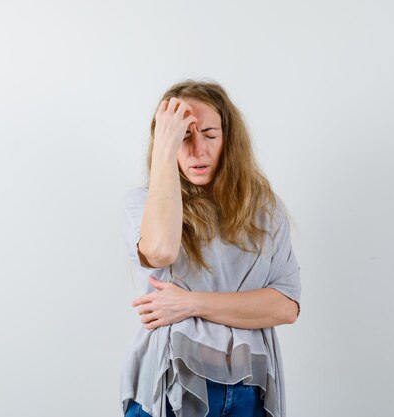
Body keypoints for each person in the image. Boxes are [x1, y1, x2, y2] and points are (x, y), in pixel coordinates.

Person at [119, 80, 302, 417]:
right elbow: (160, 251)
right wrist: (163, 147)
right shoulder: (143, 202)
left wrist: (188, 303)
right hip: (171, 381)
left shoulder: (264, 208)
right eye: (183, 136)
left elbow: (285, 307)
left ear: (228, 141)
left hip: (249, 391)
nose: (198, 150)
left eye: (210, 135)